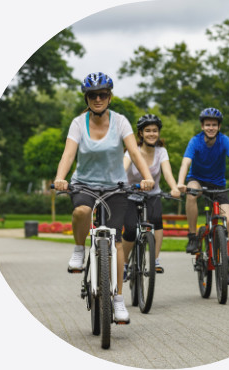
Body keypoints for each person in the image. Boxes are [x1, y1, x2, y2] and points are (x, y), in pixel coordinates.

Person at [53, 72, 154, 323]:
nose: (98, 98)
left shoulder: (121, 122)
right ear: (86, 98)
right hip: (83, 184)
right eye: (93, 95)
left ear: (109, 97)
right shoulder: (78, 123)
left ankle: (118, 299)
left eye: (102, 94)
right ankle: (78, 250)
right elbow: (68, 154)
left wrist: (145, 176)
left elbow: (134, 151)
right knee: (81, 212)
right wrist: (60, 177)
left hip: (115, 187)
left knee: (116, 240)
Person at [177, 107, 229, 284]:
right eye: (207, 125)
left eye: (214, 125)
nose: (210, 128)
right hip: (197, 180)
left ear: (219, 127)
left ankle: (225, 264)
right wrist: (181, 183)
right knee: (191, 195)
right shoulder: (195, 141)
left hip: (218, 186)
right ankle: (192, 237)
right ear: (202, 126)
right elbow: (185, 163)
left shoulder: (225, 141)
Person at [122, 114, 181, 276]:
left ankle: (154, 260)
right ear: (140, 133)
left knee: (156, 221)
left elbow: (167, 173)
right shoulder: (132, 152)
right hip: (130, 195)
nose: (152, 134)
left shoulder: (161, 152)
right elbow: (123, 169)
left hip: (152, 195)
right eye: (147, 130)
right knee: (131, 229)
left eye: (155, 131)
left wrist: (174, 188)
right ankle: (125, 263)